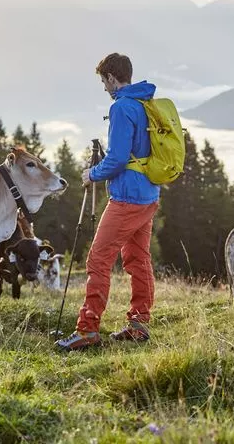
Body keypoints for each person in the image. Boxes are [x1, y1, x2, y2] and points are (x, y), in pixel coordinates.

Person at [56, 53, 160, 351]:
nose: (104, 87)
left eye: (104, 81)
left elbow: (116, 159)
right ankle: (139, 325)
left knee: (98, 260)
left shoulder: (122, 107)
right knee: (138, 259)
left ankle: (88, 329)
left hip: (127, 198)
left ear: (112, 78)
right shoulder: (145, 102)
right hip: (149, 195)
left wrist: (92, 174)